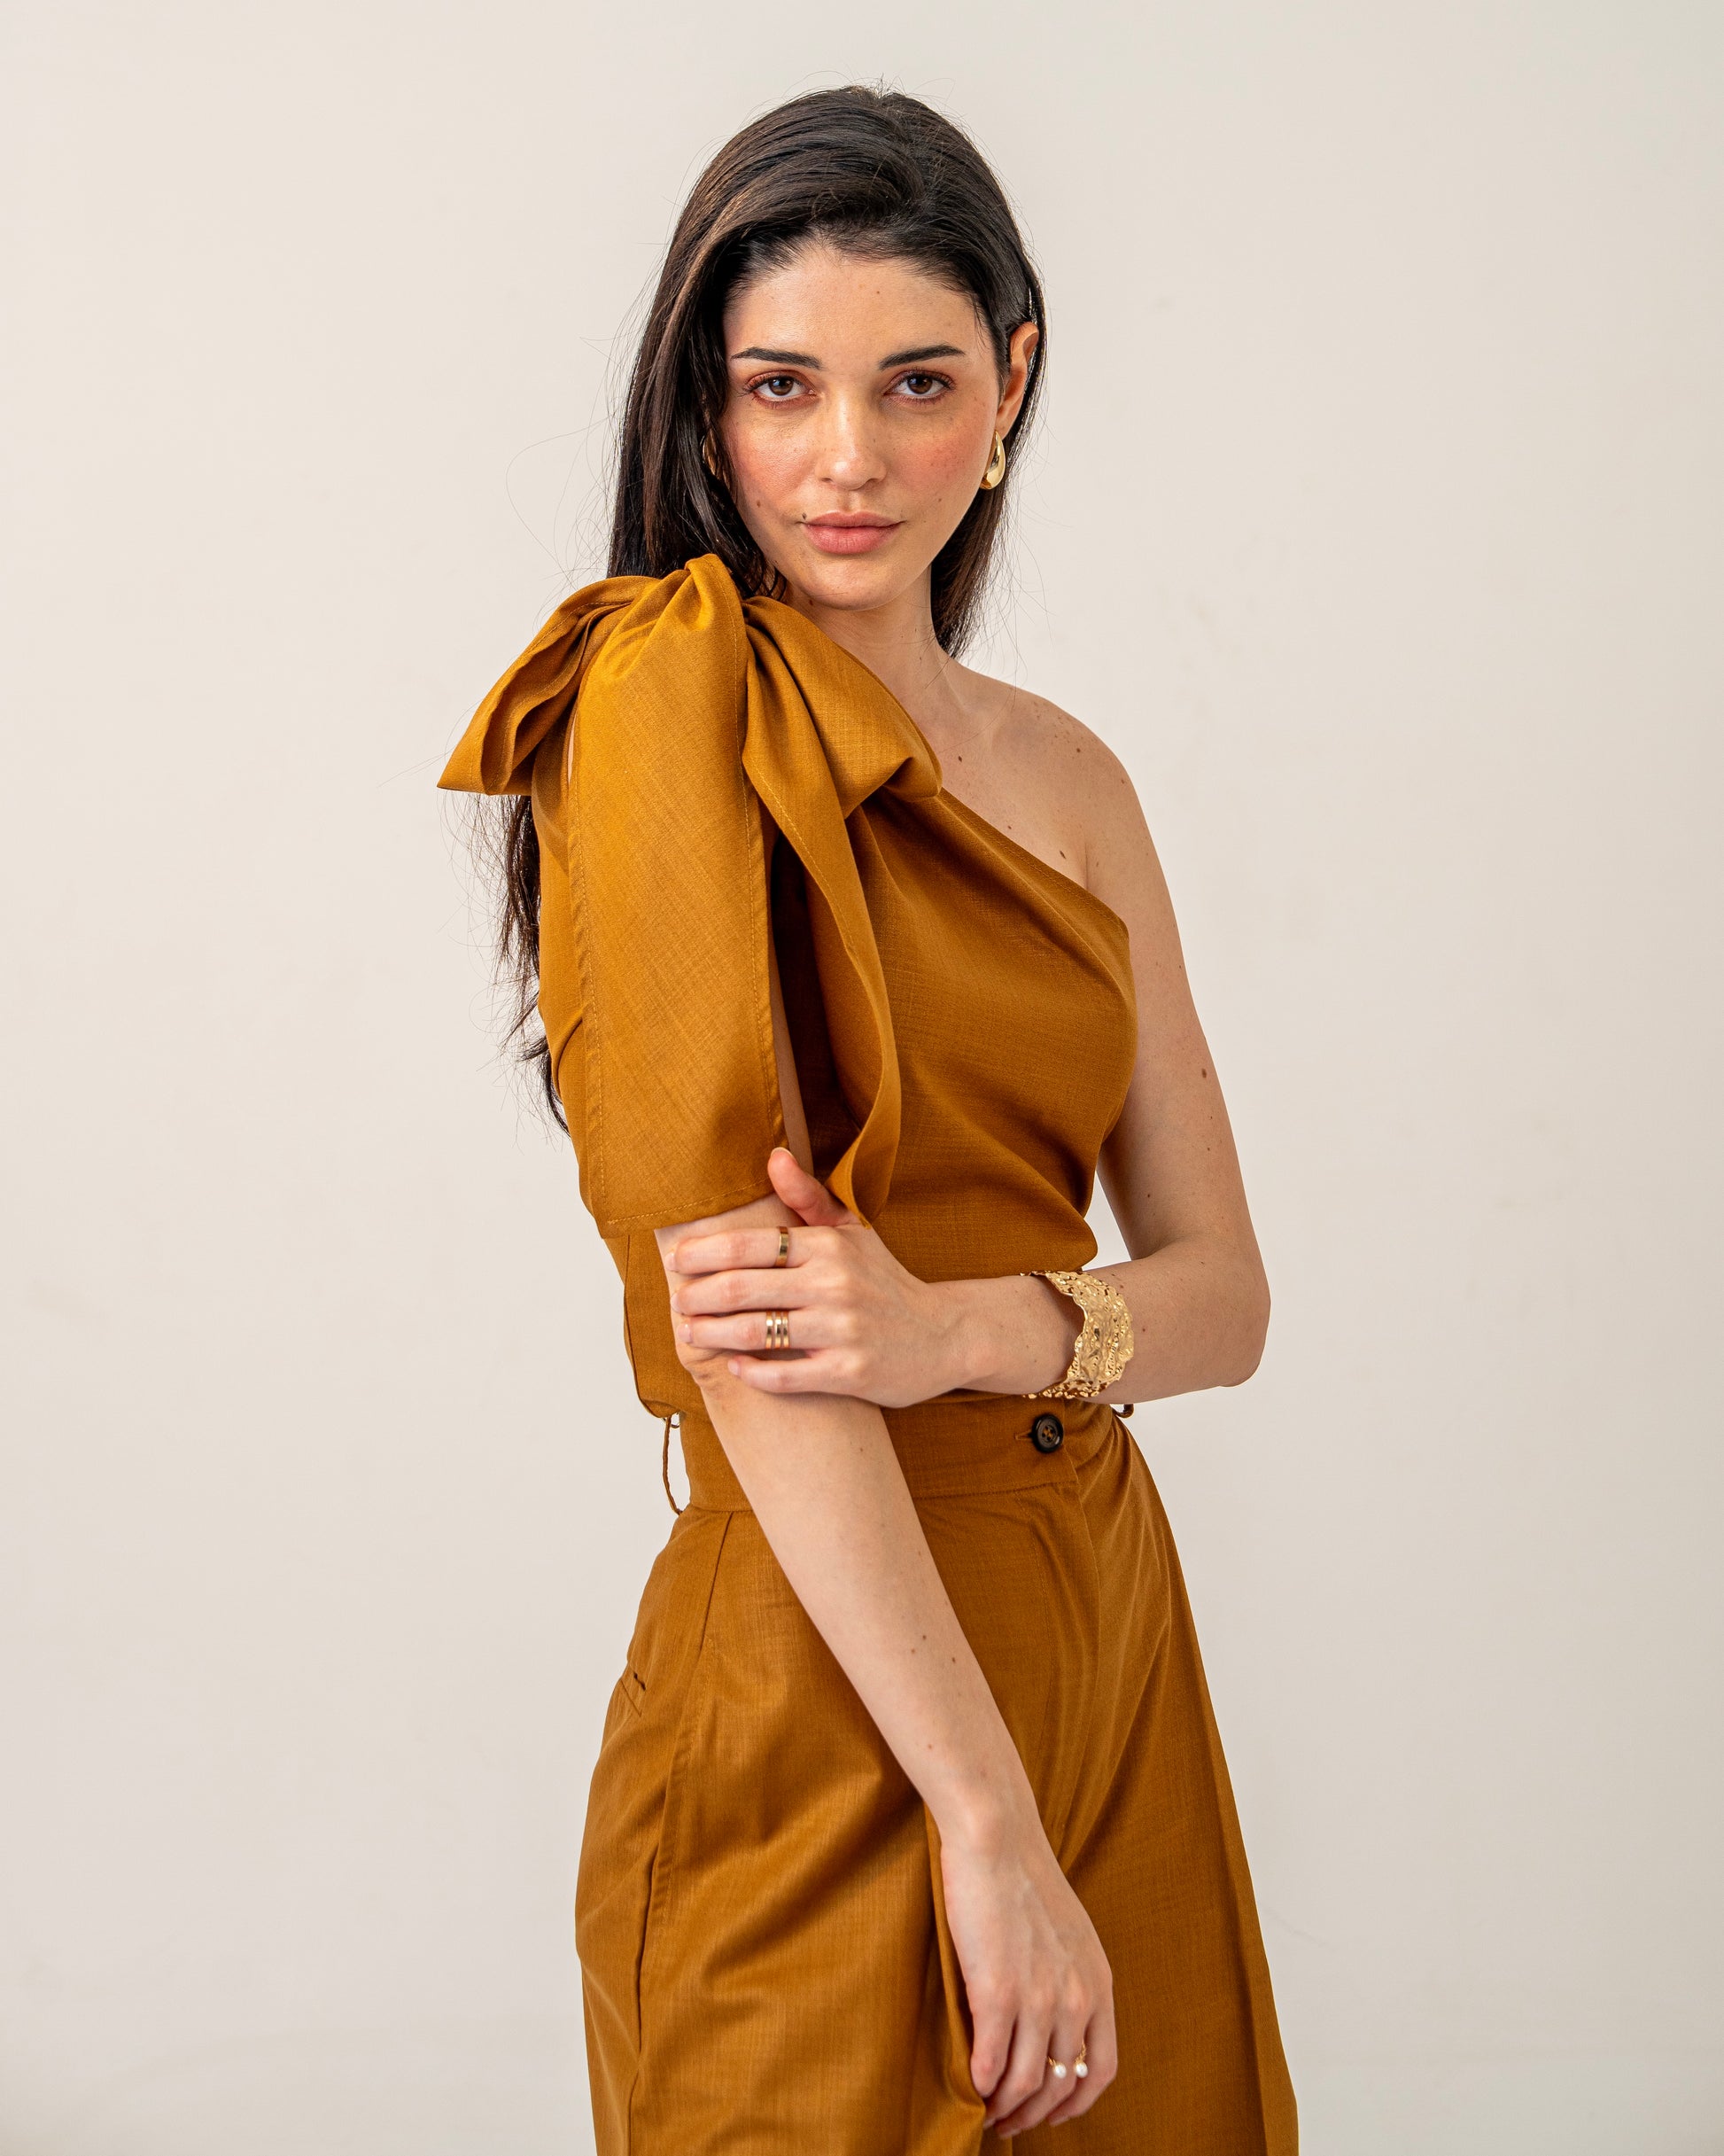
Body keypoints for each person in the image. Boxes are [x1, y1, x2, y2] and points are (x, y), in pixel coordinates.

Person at [439, 83, 1296, 2155]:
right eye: (781, 386)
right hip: (840, 1671)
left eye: (914, 381)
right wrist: (982, 1815)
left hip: (1104, 1621)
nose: (847, 456)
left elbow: (1227, 1293)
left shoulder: (1067, 772)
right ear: (705, 408)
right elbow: (750, 1332)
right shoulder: (667, 698)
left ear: (1009, 384)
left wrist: (960, 1326)